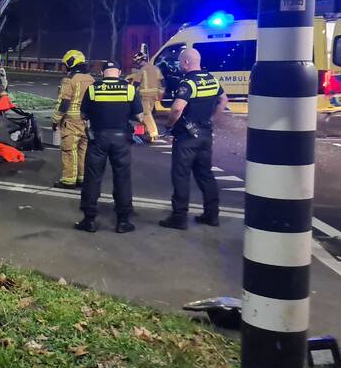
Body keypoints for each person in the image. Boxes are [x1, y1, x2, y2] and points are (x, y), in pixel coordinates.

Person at [160, 48, 227, 230]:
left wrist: (168, 125)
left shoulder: (188, 83)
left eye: (181, 62)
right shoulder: (211, 79)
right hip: (205, 135)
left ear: (186, 63)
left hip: (186, 138)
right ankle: (212, 215)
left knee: (181, 176)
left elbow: (177, 108)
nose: (180, 65)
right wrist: (213, 118)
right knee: (205, 175)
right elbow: (223, 99)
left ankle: (179, 218)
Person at [75, 61, 144, 233]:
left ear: (103, 72)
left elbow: (83, 114)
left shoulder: (93, 89)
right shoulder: (129, 89)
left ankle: (89, 220)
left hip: (98, 138)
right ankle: (123, 221)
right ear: (119, 72)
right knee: (122, 179)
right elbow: (140, 116)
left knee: (92, 178)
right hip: (121, 139)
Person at [51, 50, 95, 189]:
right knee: (83, 149)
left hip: (71, 120)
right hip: (87, 121)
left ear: (71, 62)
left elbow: (64, 102)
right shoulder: (91, 79)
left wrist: (55, 119)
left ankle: (69, 179)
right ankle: (82, 178)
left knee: (69, 150)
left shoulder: (69, 79)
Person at [127, 52, 165, 143]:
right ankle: (140, 133)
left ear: (138, 61)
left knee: (145, 114)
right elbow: (162, 82)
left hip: (145, 95)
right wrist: (161, 93)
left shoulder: (142, 70)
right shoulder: (156, 68)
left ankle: (153, 133)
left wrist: (132, 95)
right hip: (154, 95)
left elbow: (136, 83)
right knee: (145, 115)